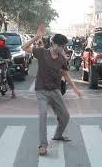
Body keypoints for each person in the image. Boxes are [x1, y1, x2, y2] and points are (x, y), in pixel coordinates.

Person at [21, 25, 82, 156]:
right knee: (42, 116)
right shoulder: (42, 52)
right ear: (54, 44)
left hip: (55, 90)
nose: (62, 48)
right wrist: (37, 37)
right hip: (41, 90)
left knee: (65, 116)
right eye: (60, 45)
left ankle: (58, 135)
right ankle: (43, 145)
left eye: (64, 46)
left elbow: (66, 75)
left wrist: (75, 89)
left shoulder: (62, 59)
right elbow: (24, 48)